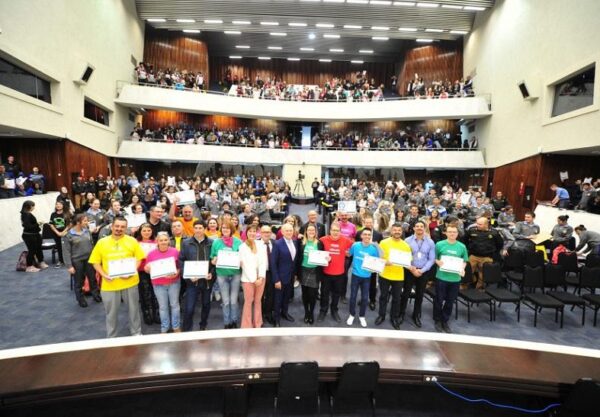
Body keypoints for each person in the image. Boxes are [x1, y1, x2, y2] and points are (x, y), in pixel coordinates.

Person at [89, 217, 145, 338]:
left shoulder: (132, 241)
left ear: (126, 228)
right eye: (117, 226)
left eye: (122, 227)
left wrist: (132, 271)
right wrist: (104, 275)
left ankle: (136, 333)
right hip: (109, 284)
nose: (119, 229)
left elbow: (139, 259)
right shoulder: (102, 242)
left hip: (130, 282)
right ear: (112, 226)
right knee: (111, 313)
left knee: (134, 310)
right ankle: (112, 336)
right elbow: (95, 262)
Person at [375, 223, 412, 330]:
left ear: (402, 232)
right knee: (383, 297)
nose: (397, 232)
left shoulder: (405, 246)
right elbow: (379, 257)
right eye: (395, 230)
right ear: (391, 231)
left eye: (399, 230)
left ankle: (394, 318)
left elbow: (408, 260)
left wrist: (410, 266)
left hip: (398, 276)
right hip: (384, 274)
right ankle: (381, 315)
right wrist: (385, 262)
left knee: (396, 299)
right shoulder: (383, 242)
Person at [180, 220, 215, 331]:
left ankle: (203, 325)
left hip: (207, 280)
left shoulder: (212, 243)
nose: (198, 230)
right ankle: (187, 329)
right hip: (192, 281)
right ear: (193, 229)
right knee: (189, 307)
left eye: (200, 228)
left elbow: (214, 261)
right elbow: (181, 260)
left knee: (206, 304)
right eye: (196, 228)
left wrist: (212, 273)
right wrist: (187, 276)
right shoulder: (186, 243)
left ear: (205, 229)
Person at [400, 220, 436, 328]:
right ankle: (401, 314)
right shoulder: (407, 240)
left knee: (420, 295)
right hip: (409, 270)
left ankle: (416, 315)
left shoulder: (430, 242)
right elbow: (404, 257)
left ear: (424, 228)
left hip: (423, 272)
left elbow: (431, 259)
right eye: (417, 226)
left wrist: (422, 270)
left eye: (421, 226)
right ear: (414, 228)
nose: (419, 228)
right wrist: (412, 269)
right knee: (405, 293)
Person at [434, 225, 469, 333]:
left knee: (450, 301)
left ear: (457, 234)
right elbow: (434, 258)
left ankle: (445, 320)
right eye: (450, 232)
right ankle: (437, 320)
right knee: (439, 300)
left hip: (455, 279)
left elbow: (464, 260)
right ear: (446, 233)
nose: (452, 234)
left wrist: (462, 268)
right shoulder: (439, 244)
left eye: (454, 232)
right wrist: (438, 262)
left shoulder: (462, 246)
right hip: (441, 277)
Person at [144, 232, 181, 333]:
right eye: (161, 240)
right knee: (163, 307)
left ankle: (176, 326)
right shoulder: (151, 254)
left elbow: (179, 267)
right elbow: (147, 269)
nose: (163, 242)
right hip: (158, 284)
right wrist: (147, 268)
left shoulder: (175, 251)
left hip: (174, 282)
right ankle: (164, 327)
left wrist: (176, 273)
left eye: (165, 240)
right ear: (157, 241)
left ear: (169, 241)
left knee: (175, 305)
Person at [318, 222, 353, 323]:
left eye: (337, 231)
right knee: (324, 294)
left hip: (339, 274)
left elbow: (356, 246)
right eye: (333, 230)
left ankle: (334, 311)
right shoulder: (323, 240)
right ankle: (323, 311)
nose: (335, 232)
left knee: (336, 294)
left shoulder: (345, 240)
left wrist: (349, 253)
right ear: (330, 231)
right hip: (326, 273)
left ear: (340, 232)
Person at [210, 221, 243, 328]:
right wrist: (214, 260)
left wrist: (241, 262)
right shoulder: (216, 242)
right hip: (222, 274)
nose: (225, 230)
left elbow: (243, 257)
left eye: (228, 228)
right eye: (223, 228)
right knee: (225, 301)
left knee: (233, 301)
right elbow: (212, 258)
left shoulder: (239, 242)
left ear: (232, 230)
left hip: (235, 274)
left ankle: (234, 320)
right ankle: (227, 322)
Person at [64, 214, 102, 307]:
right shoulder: (69, 235)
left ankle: (95, 294)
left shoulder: (87, 231)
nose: (87, 223)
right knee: (79, 281)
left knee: (92, 278)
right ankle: (80, 299)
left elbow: (92, 245)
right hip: (77, 261)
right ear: (78, 222)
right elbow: (66, 252)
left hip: (89, 259)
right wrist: (69, 266)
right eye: (85, 221)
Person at [347, 229, 380, 327]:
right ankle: (352, 314)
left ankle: (362, 316)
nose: (367, 236)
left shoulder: (373, 249)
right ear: (361, 236)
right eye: (365, 234)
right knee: (353, 296)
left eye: (369, 235)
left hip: (367, 277)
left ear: (371, 237)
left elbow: (376, 262)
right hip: (355, 275)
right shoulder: (355, 245)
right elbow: (349, 254)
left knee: (365, 298)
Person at [270, 223, 301, 326]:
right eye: (287, 230)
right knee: (278, 299)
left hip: (291, 276)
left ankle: (284, 313)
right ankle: (276, 318)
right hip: (280, 277)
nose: (289, 232)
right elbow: (273, 263)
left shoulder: (295, 242)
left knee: (286, 297)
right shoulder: (277, 244)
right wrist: (276, 280)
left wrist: (295, 275)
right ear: (282, 232)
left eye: (290, 230)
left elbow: (294, 260)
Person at [239, 225, 267, 328]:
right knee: (248, 301)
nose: (252, 233)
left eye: (254, 231)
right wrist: (254, 279)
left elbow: (263, 262)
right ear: (246, 233)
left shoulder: (261, 245)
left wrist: (260, 277)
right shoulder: (242, 247)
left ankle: (258, 323)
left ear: (257, 233)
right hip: (248, 279)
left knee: (258, 301)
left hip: (260, 278)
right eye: (250, 231)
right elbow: (244, 265)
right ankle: (247, 325)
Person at [465, 217, 503, 289]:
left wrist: (494, 252)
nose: (477, 225)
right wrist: (469, 248)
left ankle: (479, 289)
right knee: (467, 272)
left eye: (480, 224)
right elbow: (464, 240)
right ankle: (465, 286)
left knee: (482, 275)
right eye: (477, 223)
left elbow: (500, 244)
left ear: (486, 224)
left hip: (487, 257)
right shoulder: (471, 230)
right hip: (473, 256)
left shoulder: (494, 232)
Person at [354, 216, 383, 311]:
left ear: (373, 223)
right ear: (364, 223)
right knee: (362, 282)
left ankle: (372, 300)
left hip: (373, 263)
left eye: (370, 222)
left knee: (372, 283)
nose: (368, 224)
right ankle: (363, 298)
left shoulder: (378, 235)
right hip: (361, 262)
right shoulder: (359, 233)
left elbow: (380, 250)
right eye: (367, 222)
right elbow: (357, 246)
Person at [135, 223, 160, 326]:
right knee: (144, 293)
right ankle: (147, 313)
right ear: (140, 232)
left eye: (149, 230)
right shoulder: (136, 243)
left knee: (156, 292)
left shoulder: (156, 242)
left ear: (152, 231)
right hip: (141, 270)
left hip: (155, 270)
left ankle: (156, 312)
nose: (146, 232)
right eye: (144, 230)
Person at [298, 224, 322, 325]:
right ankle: (306, 313)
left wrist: (327, 259)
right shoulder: (301, 242)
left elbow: (323, 257)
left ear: (315, 232)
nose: (311, 232)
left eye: (313, 230)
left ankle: (311, 313)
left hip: (315, 271)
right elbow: (298, 258)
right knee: (305, 294)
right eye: (309, 230)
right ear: (306, 232)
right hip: (303, 270)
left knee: (313, 295)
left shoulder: (319, 243)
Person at [20, 200, 48, 272]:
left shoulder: (27, 214)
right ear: (29, 206)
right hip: (29, 236)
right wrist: (38, 224)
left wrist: (37, 225)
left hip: (35, 234)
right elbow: (28, 226)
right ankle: (29, 266)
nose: (34, 207)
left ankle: (40, 262)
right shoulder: (26, 215)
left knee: (38, 248)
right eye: (33, 206)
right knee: (32, 250)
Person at [257, 224, 276, 324]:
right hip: (259, 274)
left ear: (271, 233)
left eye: (268, 232)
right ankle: (259, 315)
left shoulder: (275, 243)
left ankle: (268, 313)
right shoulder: (255, 244)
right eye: (264, 232)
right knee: (259, 295)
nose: (266, 234)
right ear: (260, 233)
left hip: (271, 273)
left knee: (270, 295)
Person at [48, 200, 70, 267]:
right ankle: (61, 261)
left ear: (63, 205)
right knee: (59, 247)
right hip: (56, 233)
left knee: (66, 247)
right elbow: (51, 224)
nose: (58, 205)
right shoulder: (53, 214)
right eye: (57, 204)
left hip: (65, 232)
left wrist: (63, 232)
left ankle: (68, 260)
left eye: (60, 204)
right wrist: (57, 232)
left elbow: (69, 224)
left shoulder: (67, 213)